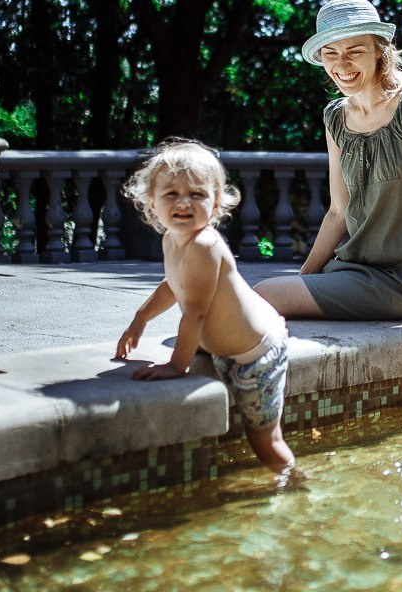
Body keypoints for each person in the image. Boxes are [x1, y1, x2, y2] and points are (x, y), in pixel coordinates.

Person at [253, 0, 402, 353]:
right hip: (349, 269)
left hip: (400, 283)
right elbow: (338, 211)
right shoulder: (336, 117)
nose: (341, 64)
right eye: (331, 53)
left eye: (354, 51)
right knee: (261, 296)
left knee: (262, 294)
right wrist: (305, 279)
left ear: (380, 50)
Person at [115, 139, 296, 474]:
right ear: (151, 202)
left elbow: (195, 312)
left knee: (265, 443)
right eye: (171, 194)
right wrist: (140, 319)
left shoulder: (204, 245)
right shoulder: (172, 238)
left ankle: (295, 487)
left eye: (197, 194)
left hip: (256, 355)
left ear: (215, 204)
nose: (184, 202)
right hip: (228, 345)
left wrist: (175, 366)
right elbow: (173, 284)